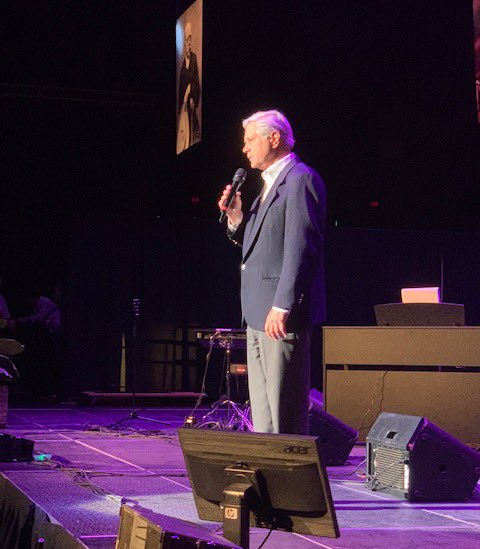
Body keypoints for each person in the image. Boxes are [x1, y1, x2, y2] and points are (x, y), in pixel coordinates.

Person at [218, 109, 326, 435]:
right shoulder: (269, 186)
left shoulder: (300, 180)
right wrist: (236, 218)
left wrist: (283, 304)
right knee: (264, 415)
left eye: (251, 140)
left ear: (274, 138)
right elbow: (261, 245)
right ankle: (267, 466)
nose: (245, 148)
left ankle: (288, 469)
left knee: (284, 412)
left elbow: (301, 247)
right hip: (257, 313)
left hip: (280, 314)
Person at [177, 21, 200, 153]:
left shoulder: (193, 58)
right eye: (187, 41)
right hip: (183, 102)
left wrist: (192, 97)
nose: (189, 44)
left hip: (191, 98)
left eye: (190, 41)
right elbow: (183, 80)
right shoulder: (183, 63)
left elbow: (195, 80)